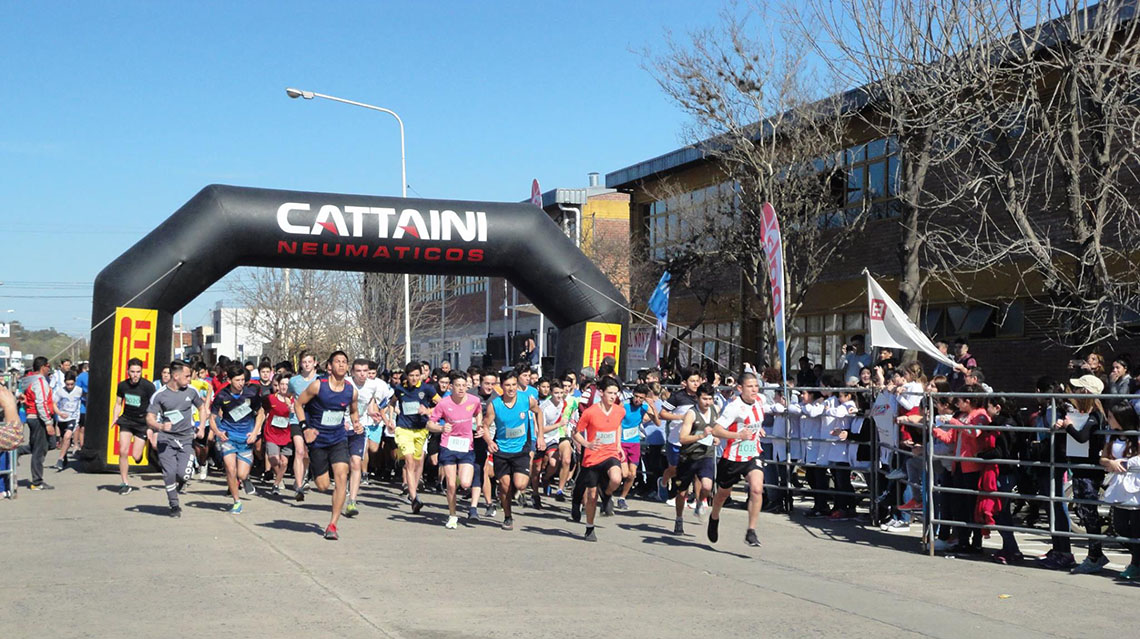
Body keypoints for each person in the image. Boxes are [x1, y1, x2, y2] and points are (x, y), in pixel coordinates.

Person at [294, 351, 361, 540]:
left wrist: (356, 423)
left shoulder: (351, 390)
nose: (341, 365)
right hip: (318, 439)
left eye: (344, 362)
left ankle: (332, 525)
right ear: (329, 366)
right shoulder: (318, 386)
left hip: (338, 438)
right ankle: (322, 483)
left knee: (342, 476)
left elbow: (354, 411)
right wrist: (305, 427)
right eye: (337, 362)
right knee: (323, 486)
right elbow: (298, 405)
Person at [1050, 374, 1109, 573]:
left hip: (1089, 471)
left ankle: (1095, 555)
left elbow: (1083, 437)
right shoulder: (1083, 414)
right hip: (1079, 468)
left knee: (1089, 513)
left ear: (1086, 392)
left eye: (1078, 389)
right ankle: (1095, 554)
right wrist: (1064, 426)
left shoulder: (1095, 416)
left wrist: (1068, 427)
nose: (1074, 392)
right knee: (1084, 511)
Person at [706, 372, 766, 548]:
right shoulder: (734, 407)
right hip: (732, 457)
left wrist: (758, 431)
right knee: (723, 494)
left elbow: (755, 423)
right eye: (750, 386)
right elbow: (716, 430)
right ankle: (714, 516)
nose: (754, 389)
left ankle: (751, 531)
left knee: (757, 489)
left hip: (753, 454)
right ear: (740, 388)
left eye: (756, 386)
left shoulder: (760, 401)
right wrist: (738, 434)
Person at [482, 370, 542, 531]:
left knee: (521, 485)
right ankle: (508, 517)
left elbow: (539, 412)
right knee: (505, 486)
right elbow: (485, 426)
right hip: (502, 450)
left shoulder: (526, 400)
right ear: (501, 387)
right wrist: (489, 441)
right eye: (507, 385)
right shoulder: (495, 405)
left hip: (521, 449)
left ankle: (516, 488)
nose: (511, 388)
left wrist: (541, 435)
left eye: (514, 385)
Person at [146, 361, 207, 518]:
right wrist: (159, 427)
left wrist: (201, 427)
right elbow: (149, 418)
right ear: (176, 376)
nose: (189, 379)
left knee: (184, 475)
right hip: (166, 440)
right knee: (169, 473)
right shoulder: (159, 395)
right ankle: (174, 505)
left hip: (186, 438)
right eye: (187, 376)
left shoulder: (191, 391)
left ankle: (180, 483)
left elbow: (202, 408)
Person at [428, 370, 483, 528]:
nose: (461, 389)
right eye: (458, 385)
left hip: (466, 446)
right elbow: (430, 423)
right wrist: (440, 428)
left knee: (465, 483)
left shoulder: (474, 400)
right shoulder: (444, 403)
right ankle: (452, 515)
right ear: (451, 387)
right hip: (448, 446)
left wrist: (479, 426)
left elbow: (479, 413)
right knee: (451, 484)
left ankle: (467, 502)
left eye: (464, 385)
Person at [572, 377, 625, 541]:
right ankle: (589, 527)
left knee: (617, 478)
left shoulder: (619, 410)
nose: (613, 396)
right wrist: (587, 443)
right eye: (610, 393)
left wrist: (618, 444)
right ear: (601, 393)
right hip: (593, 456)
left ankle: (608, 494)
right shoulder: (590, 413)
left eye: (615, 394)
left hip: (610, 452)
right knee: (592, 494)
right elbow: (576, 433)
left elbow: (617, 425)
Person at [210, 364, 265, 514]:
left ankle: (245, 479)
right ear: (229, 380)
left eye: (242, 380)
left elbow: (261, 413)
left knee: (241, 474)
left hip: (246, 438)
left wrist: (255, 432)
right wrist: (217, 432)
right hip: (228, 437)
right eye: (237, 380)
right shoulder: (222, 395)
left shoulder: (251, 394)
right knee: (230, 469)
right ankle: (236, 501)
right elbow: (212, 418)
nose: (241, 383)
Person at [670, 383, 719, 535]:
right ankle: (679, 519)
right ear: (697, 398)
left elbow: (718, 428)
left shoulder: (715, 410)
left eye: (710, 398)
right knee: (682, 492)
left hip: (706, 454)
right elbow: (682, 438)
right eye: (704, 398)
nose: (707, 402)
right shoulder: (691, 414)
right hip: (688, 456)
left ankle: (700, 503)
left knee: (707, 486)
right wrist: (700, 436)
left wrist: (716, 437)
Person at [392, 361, 438, 514]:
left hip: (421, 430)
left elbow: (443, 405)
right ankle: (414, 498)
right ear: (407, 375)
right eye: (411, 375)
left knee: (418, 463)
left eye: (417, 375)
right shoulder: (400, 389)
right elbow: (391, 403)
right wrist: (390, 420)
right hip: (403, 429)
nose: (414, 378)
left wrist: (428, 410)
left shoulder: (427, 389)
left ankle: (414, 492)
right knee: (410, 462)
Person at [1100, 402, 1140, 581]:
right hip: (1119, 486)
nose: (1108, 420)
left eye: (1111, 416)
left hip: (1136, 486)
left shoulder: (1137, 436)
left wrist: (1124, 463)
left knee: (1137, 528)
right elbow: (1103, 458)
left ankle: (1135, 564)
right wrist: (1110, 463)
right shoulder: (1113, 436)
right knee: (1120, 526)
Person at [347, 358, 391, 517]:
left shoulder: (374, 385)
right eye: (358, 371)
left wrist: (374, 413)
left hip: (360, 427)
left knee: (356, 462)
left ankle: (352, 500)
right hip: (341, 426)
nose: (362, 374)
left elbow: (371, 402)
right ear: (352, 372)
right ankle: (342, 489)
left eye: (365, 371)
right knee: (343, 465)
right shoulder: (345, 383)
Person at [658, 366, 702, 501]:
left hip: (695, 441)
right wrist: (681, 418)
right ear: (685, 382)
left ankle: (698, 501)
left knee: (696, 472)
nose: (695, 384)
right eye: (692, 381)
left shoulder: (702, 397)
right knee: (674, 470)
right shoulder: (677, 397)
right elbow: (662, 414)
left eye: (697, 381)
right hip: (676, 440)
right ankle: (663, 482)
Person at [16, 356, 56, 490]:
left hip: (33, 417)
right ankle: (37, 482)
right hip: (38, 418)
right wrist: (48, 422)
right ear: (43, 366)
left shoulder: (29, 380)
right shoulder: (40, 382)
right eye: (48, 366)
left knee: (47, 445)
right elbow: (42, 403)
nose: (49, 369)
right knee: (39, 451)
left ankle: (18, 451)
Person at [617, 383, 658, 510]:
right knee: (624, 473)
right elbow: (616, 421)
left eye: (641, 398)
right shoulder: (624, 405)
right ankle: (607, 490)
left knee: (632, 474)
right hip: (621, 441)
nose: (637, 400)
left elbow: (658, 422)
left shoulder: (644, 407)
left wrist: (652, 407)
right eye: (636, 396)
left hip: (634, 442)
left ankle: (622, 498)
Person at [288, 352, 318, 501]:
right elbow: (287, 394)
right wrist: (290, 405)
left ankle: (304, 473)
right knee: (299, 451)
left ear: (315, 363)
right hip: (296, 420)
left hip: (314, 420)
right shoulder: (294, 381)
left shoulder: (320, 380)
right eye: (304, 362)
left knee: (307, 454)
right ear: (300, 364)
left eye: (309, 361)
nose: (306, 364)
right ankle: (299, 486)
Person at [262, 376, 294, 494]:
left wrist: (292, 408)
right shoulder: (270, 398)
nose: (284, 387)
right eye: (282, 384)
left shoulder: (294, 400)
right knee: (274, 459)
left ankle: (276, 483)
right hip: (272, 433)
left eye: (287, 384)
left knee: (284, 462)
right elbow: (263, 409)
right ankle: (279, 478)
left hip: (287, 434)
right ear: (278, 386)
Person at [52, 371, 83, 471]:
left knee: (67, 436)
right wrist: (60, 413)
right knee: (64, 441)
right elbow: (54, 404)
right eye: (67, 384)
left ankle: (60, 459)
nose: (70, 386)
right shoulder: (60, 392)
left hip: (73, 418)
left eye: (72, 384)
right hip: (62, 419)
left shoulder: (79, 390)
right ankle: (64, 457)